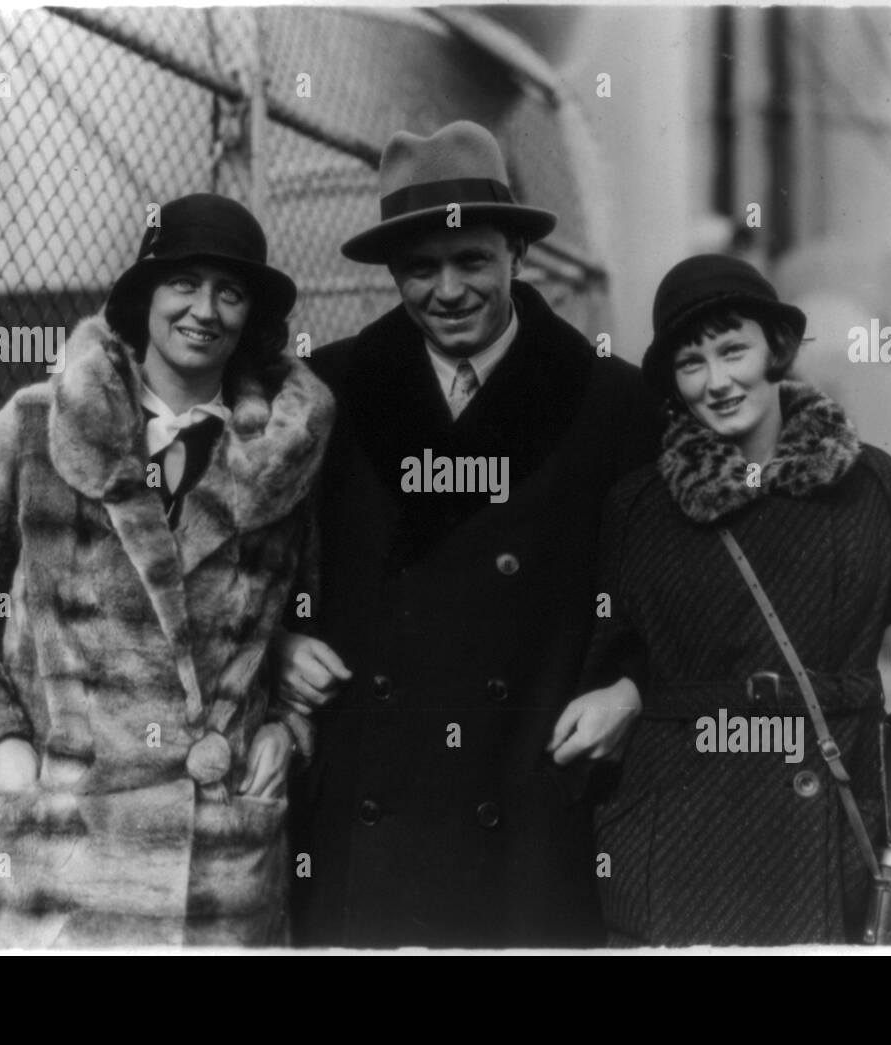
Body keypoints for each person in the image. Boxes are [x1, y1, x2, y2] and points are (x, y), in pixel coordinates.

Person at [0, 193, 335, 948]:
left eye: (230, 292)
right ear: (145, 295)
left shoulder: (283, 460)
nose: (204, 310)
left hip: (214, 876)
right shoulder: (37, 426)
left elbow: (304, 624)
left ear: (251, 316)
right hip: (55, 858)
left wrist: (286, 729)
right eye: (185, 284)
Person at [277, 120, 664, 948]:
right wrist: (283, 638)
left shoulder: (611, 404)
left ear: (515, 257)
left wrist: (628, 691)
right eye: (421, 268)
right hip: (367, 808)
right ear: (392, 273)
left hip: (525, 799)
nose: (448, 290)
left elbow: (669, 592)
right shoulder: (331, 392)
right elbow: (257, 559)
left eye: (471, 261)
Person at [569, 253, 891, 946]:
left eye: (732, 349)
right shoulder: (638, 508)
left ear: (776, 349)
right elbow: (610, 650)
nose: (716, 381)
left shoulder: (870, 487)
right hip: (679, 837)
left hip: (833, 833)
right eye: (691, 363)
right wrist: (625, 686)